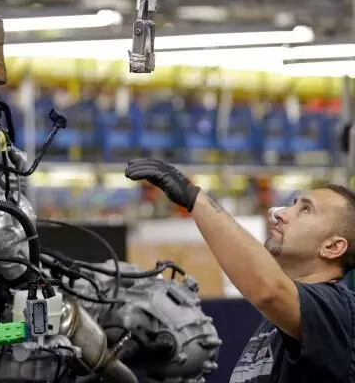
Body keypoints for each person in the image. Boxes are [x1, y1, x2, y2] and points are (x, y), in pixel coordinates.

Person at [125, 159, 355, 383]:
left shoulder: (337, 310)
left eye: (305, 209)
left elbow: (268, 290)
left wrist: (193, 197)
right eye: (293, 204)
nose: (279, 212)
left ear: (333, 247)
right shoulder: (276, 325)